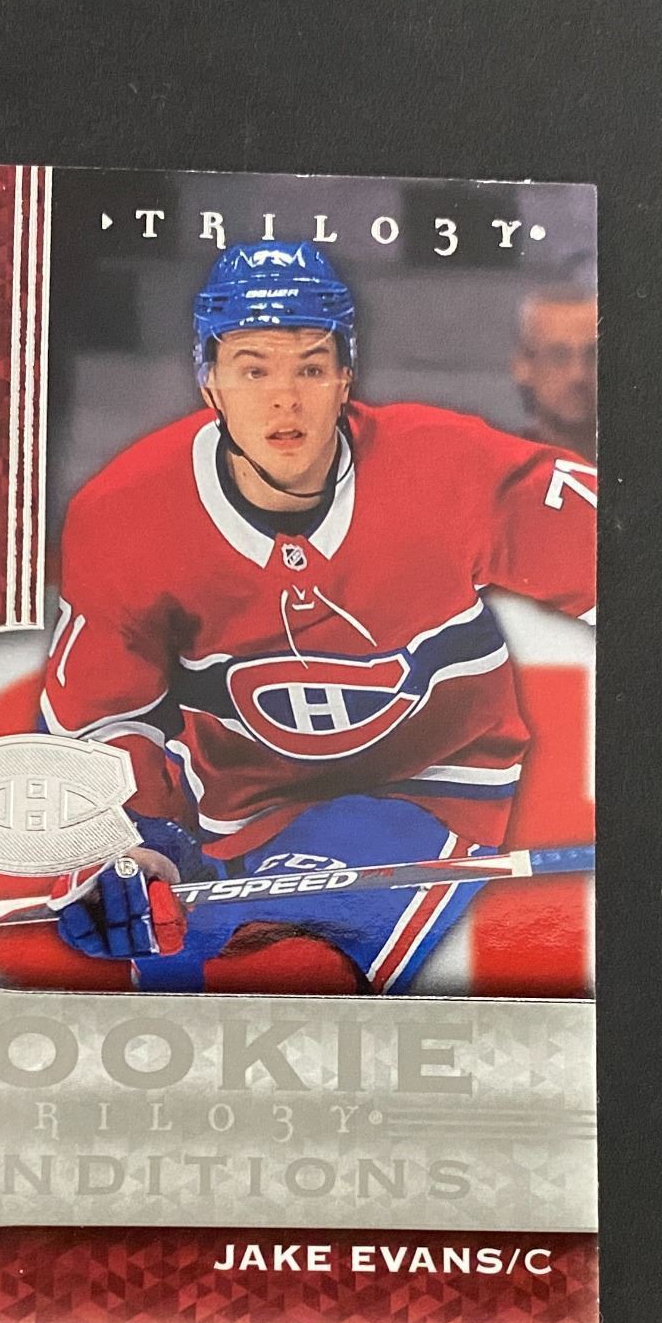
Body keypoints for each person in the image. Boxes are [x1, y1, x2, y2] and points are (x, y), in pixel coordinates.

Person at [44, 240, 596, 995]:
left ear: (345, 377)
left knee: (282, 971)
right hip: (242, 808)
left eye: (310, 367)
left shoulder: (446, 468)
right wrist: (139, 841)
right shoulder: (124, 516)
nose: (285, 399)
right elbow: (105, 716)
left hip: (430, 780)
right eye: (254, 369)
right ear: (209, 381)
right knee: (170, 978)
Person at [511, 284, 599, 461]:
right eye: (559, 356)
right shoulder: (507, 470)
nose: (577, 374)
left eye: (593, 355)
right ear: (523, 366)